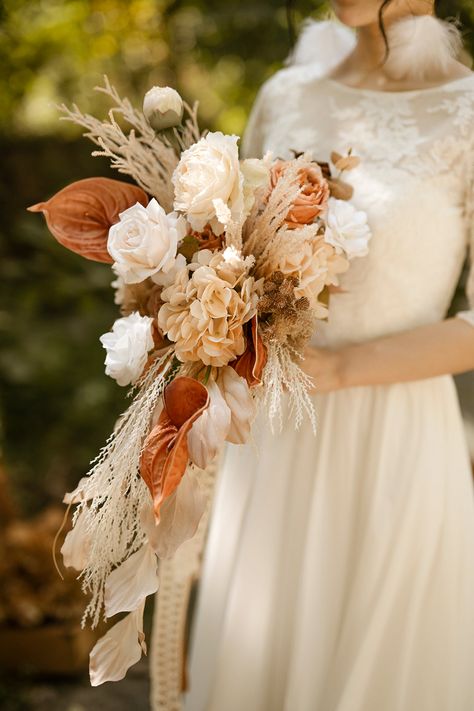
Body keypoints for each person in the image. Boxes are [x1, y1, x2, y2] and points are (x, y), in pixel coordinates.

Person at [181, 2, 474, 709]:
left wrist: (340, 369)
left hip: (396, 444)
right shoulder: (287, 95)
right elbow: (226, 260)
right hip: (274, 444)